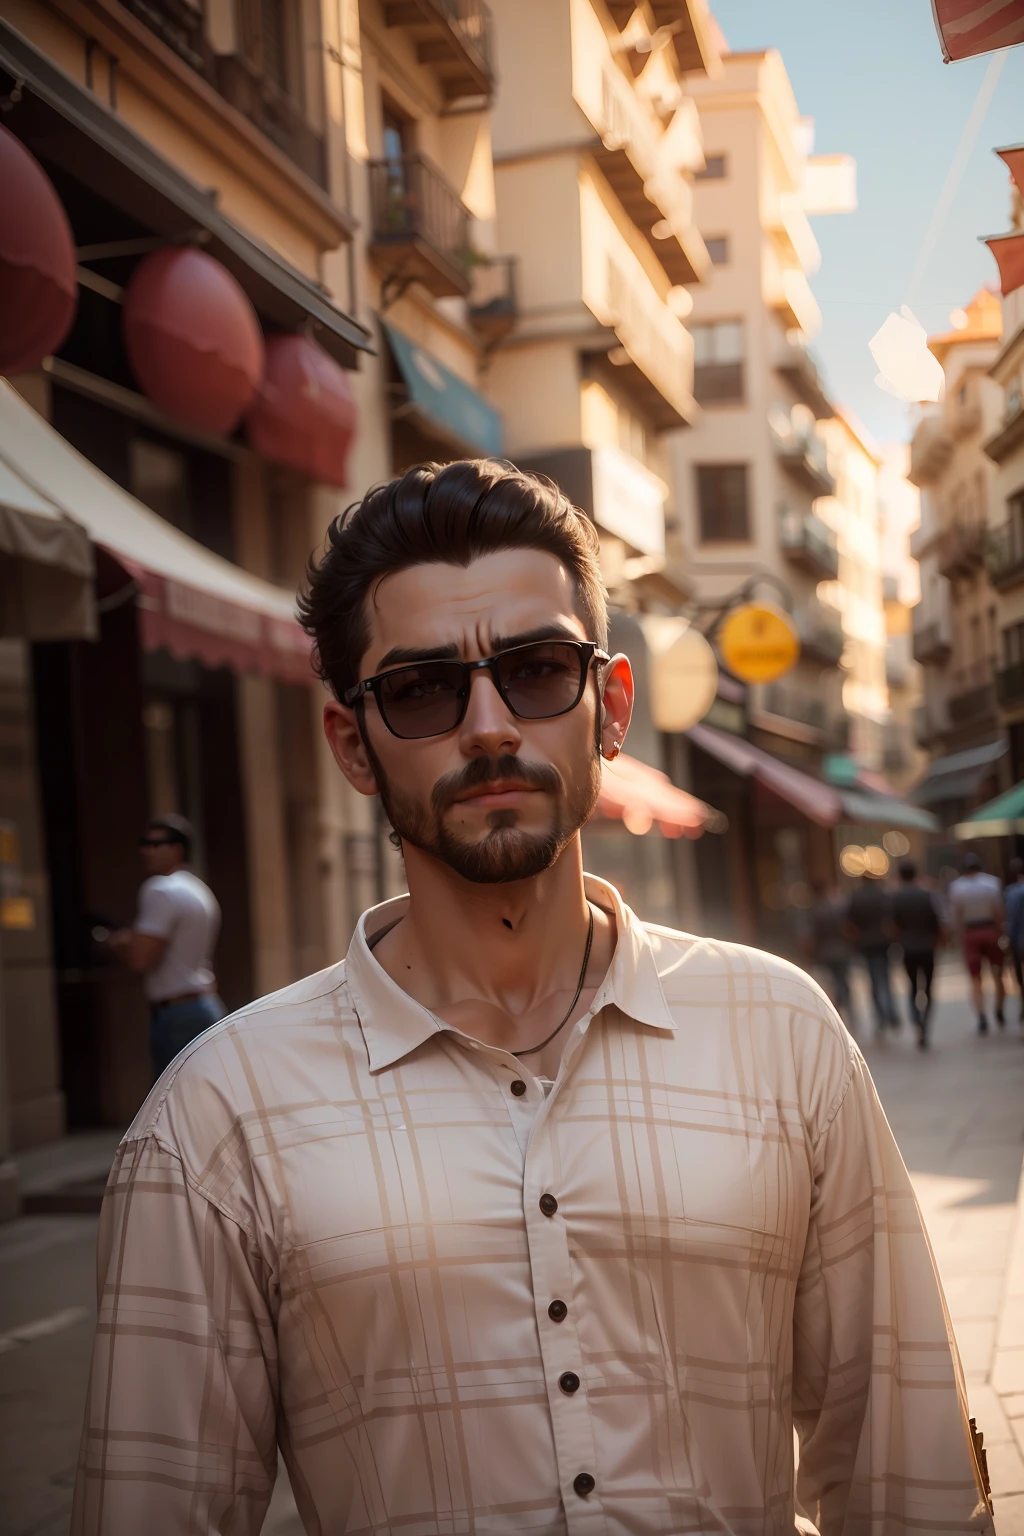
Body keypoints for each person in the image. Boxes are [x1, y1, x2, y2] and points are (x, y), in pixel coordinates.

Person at [72, 461, 991, 1533]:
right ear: (352, 747)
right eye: (420, 690)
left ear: (608, 707)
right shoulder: (217, 1117)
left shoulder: (783, 1037)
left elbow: (902, 1469)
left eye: (538, 670)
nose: (491, 724)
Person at [109, 813, 224, 1077]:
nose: (145, 851)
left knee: (172, 1108)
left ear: (177, 849)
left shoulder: (159, 889)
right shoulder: (197, 889)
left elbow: (141, 959)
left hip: (177, 1014)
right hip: (203, 1006)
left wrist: (117, 942)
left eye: (154, 844)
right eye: (144, 843)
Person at [948, 851, 1006, 1033]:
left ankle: (981, 1014)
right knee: (998, 973)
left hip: (971, 933)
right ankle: (998, 1008)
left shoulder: (957, 887)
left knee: (975, 978)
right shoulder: (992, 883)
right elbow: (999, 911)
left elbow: (956, 916)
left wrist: (958, 938)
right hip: (990, 930)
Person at [890, 858, 945, 1049]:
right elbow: (938, 921)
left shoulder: (896, 897)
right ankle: (925, 1023)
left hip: (908, 948)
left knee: (912, 987)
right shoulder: (928, 894)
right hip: (927, 947)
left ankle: (916, 1021)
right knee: (928, 987)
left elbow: (892, 925)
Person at [844, 870, 898, 1035]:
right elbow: (891, 919)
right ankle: (890, 1013)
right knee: (885, 978)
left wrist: (856, 939)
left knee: (873, 980)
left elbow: (849, 924)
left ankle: (881, 1015)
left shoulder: (856, 897)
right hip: (883, 943)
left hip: (866, 944)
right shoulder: (882, 895)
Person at [806, 880, 853, 1022]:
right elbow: (847, 929)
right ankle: (847, 1006)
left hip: (825, 952)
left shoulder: (814, 911)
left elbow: (812, 935)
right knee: (842, 980)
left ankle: (838, 1008)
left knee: (832, 982)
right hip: (842, 950)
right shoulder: (837, 908)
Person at [1004, 856, 1024, 1024]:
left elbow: (1012, 920)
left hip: (1020, 942)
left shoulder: (1013, 892)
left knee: (1021, 980)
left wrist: (1009, 941)